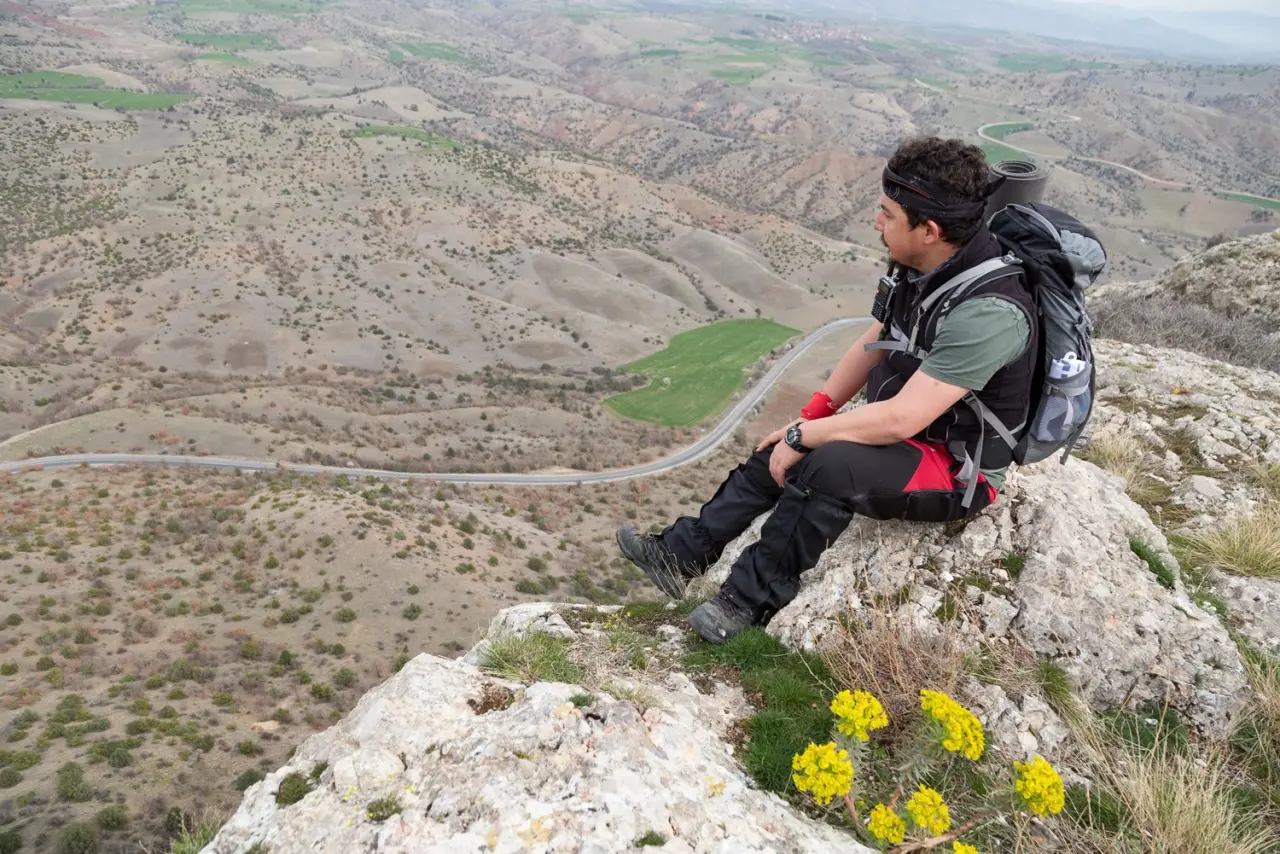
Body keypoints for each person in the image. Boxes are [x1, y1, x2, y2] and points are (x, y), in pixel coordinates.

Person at [616, 135, 1038, 644]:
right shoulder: (925, 268)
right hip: (909, 433)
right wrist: (811, 416)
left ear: (929, 230)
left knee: (825, 464)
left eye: (887, 214)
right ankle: (680, 555)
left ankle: (745, 604)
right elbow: (878, 339)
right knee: (783, 441)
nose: (875, 223)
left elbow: (902, 419)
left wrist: (809, 437)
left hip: (955, 465)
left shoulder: (989, 312)